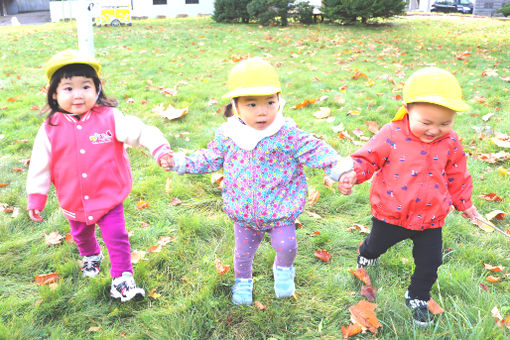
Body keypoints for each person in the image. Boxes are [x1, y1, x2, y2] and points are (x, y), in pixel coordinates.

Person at [165, 58, 353, 305]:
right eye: (252, 104)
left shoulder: (286, 134)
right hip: (244, 211)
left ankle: (283, 269)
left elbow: (315, 149)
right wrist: (181, 163)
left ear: (279, 100)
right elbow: (209, 158)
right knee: (243, 253)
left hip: (280, 208)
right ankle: (243, 280)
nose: (263, 111)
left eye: (270, 102)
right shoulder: (228, 135)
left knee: (286, 245)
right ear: (236, 106)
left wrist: (339, 169)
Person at [26, 50, 174, 302]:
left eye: (86, 86)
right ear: (54, 93)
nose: (78, 94)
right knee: (82, 234)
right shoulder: (50, 128)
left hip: (108, 195)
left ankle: (122, 278)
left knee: (116, 236)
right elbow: (40, 164)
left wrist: (159, 147)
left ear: (98, 89)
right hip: (73, 198)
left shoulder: (110, 118)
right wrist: (36, 198)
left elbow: (140, 131)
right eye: (68, 88)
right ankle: (91, 255)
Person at [338, 67, 479, 326]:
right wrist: (352, 174)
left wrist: (465, 204)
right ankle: (366, 252)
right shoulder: (391, 134)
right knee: (377, 245)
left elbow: (457, 174)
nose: (435, 130)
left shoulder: (451, 142)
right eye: (426, 123)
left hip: (431, 217)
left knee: (431, 261)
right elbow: (367, 158)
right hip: (392, 213)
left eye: (445, 123)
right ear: (407, 109)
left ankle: (417, 296)